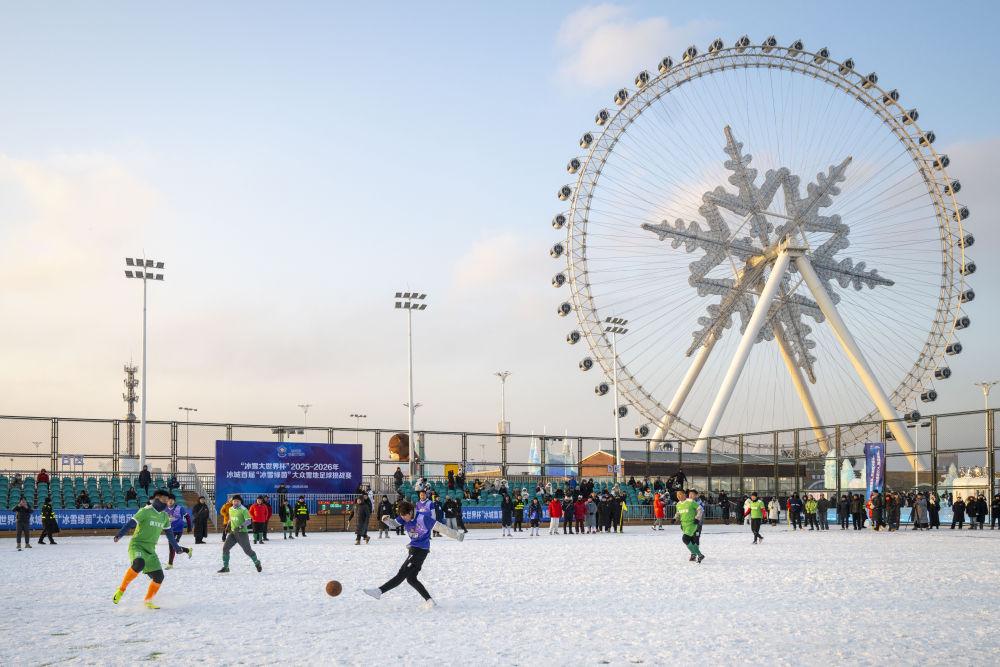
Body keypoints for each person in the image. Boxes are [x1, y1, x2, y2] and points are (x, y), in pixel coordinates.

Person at [364, 499, 463, 609]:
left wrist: (457, 535)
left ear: (411, 512)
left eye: (405, 516)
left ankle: (379, 591)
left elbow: (441, 528)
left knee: (402, 573)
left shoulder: (423, 518)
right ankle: (430, 601)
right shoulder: (403, 517)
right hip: (413, 549)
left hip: (421, 550)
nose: (403, 518)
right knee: (411, 578)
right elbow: (393, 524)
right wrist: (386, 519)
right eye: (401, 516)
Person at [113, 489, 192, 608]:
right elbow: (131, 523)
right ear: (156, 498)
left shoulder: (164, 516)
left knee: (159, 577)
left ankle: (148, 601)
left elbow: (170, 534)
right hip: (137, 545)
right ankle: (121, 590)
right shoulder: (145, 511)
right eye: (164, 500)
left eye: (167, 500)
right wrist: (119, 535)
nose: (166, 503)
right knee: (139, 563)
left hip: (150, 550)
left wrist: (176, 547)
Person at [218, 495, 262, 574]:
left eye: (237, 501)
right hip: (233, 533)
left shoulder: (244, 510)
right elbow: (230, 519)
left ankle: (257, 562)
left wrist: (240, 527)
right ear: (232, 501)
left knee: (248, 551)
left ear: (240, 502)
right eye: (234, 501)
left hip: (242, 533)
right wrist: (227, 526)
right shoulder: (230, 509)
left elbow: (248, 521)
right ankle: (226, 567)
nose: (235, 502)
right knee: (225, 548)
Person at [675, 489, 704, 563]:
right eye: (677, 495)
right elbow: (678, 512)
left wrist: (697, 519)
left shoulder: (693, 502)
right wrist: (675, 518)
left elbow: (700, 510)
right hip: (684, 525)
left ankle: (697, 554)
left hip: (694, 524)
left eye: (692, 494)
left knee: (689, 539)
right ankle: (696, 554)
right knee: (690, 540)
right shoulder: (678, 504)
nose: (678, 496)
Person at [164, 494, 192, 568]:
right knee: (175, 548)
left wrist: (189, 527)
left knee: (172, 547)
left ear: (174, 501)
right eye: (169, 500)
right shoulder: (164, 509)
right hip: (169, 530)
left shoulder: (180, 508)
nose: (170, 501)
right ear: (166, 501)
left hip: (178, 530)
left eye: (172, 500)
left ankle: (170, 564)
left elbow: (187, 516)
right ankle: (187, 550)